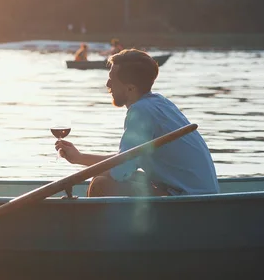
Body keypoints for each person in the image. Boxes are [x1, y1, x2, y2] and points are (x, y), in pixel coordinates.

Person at [55, 49, 219, 196]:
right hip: (192, 192)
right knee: (103, 175)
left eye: (112, 80)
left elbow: (120, 172)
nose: (107, 84)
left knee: (101, 184)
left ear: (130, 88)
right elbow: (125, 160)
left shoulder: (141, 112)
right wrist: (80, 158)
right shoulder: (158, 102)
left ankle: (91, 230)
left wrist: (86, 163)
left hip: (188, 199)